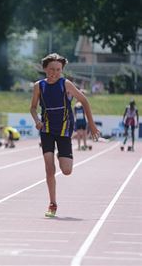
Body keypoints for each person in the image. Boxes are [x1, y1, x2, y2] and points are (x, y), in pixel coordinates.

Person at [30, 53, 100, 218]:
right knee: (49, 168)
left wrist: (91, 124)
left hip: (64, 130)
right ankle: (52, 203)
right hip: (46, 129)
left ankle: (61, 154)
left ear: (62, 70)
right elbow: (32, 107)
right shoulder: (38, 86)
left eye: (58, 69)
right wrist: (36, 119)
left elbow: (84, 101)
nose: (55, 72)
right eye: (52, 69)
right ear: (45, 69)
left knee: (66, 170)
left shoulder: (65, 84)